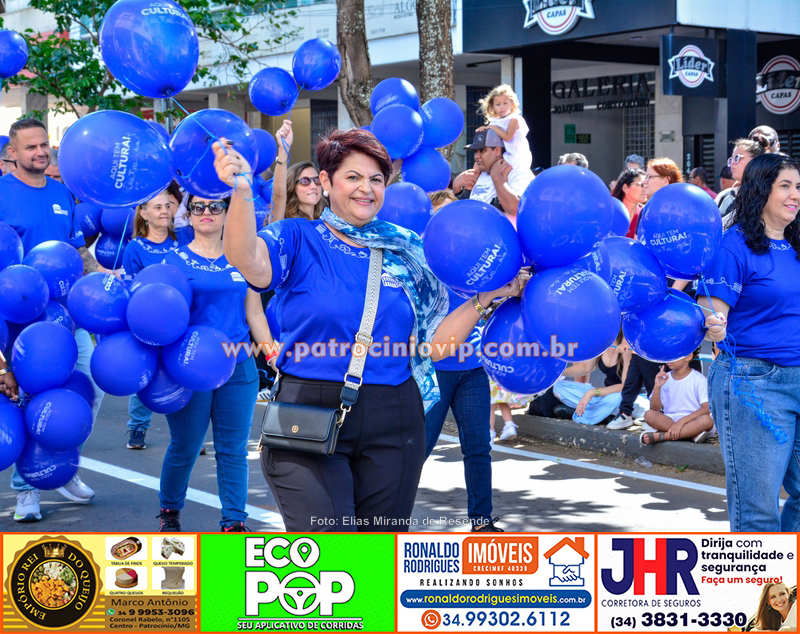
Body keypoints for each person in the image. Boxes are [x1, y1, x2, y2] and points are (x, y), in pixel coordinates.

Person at [212, 127, 522, 532]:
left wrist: (486, 297)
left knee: (377, 553)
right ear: (326, 182)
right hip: (308, 413)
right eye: (353, 177)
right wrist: (240, 191)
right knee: (333, 545)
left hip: (395, 418)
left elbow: (435, 347)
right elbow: (247, 260)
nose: (366, 188)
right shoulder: (299, 236)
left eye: (376, 179)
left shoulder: (406, 249)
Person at [0, 118, 106, 522]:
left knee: (88, 387)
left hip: (65, 314)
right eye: (31, 147)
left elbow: (76, 252)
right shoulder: (2, 194)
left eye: (45, 144)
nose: (41, 152)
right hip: (19, 318)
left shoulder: (62, 192)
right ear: (13, 153)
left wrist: (105, 276)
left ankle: (61, 464)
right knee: (31, 398)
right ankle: (27, 487)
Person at [157, 194, 272, 532]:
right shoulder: (173, 262)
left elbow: (254, 313)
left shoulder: (242, 259)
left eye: (215, 206)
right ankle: (170, 510)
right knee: (186, 447)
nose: (206, 212)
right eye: (198, 207)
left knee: (233, 449)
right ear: (189, 215)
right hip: (189, 369)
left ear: (226, 213)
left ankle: (234, 521)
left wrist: (272, 352)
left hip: (238, 366)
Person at [701, 153, 800, 533]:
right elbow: (711, 312)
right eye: (785, 186)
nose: (795, 195)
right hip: (755, 383)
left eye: (798, 187)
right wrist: (714, 325)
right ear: (760, 190)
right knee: (758, 512)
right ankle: (761, 575)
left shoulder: (796, 244)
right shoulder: (734, 246)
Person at [121, 190, 185, 450]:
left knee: (180, 372)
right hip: (147, 322)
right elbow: (128, 288)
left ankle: (186, 434)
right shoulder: (135, 248)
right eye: (157, 207)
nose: (164, 211)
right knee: (146, 373)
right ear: (144, 213)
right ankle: (137, 427)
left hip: (180, 321)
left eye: (168, 206)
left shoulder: (182, 242)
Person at [451, 129, 534, 220]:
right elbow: (467, 210)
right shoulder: (480, 172)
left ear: (497, 151)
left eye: (482, 150)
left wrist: (496, 176)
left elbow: (515, 210)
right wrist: (456, 189)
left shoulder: (517, 172)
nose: (477, 156)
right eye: (475, 151)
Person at [552, 334, 632, 425]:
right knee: (558, 386)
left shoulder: (625, 345)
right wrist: (558, 373)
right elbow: (585, 368)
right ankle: (601, 414)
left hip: (623, 396)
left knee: (616, 398)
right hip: (605, 395)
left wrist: (592, 393)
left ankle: (581, 412)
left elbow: (626, 386)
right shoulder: (601, 340)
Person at [639, 350, 713, 445]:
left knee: (707, 421)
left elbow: (706, 409)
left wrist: (681, 422)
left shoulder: (699, 380)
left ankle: (664, 436)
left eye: (674, 355)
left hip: (693, 420)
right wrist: (657, 387)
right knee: (649, 415)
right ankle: (689, 434)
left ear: (688, 356)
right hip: (670, 420)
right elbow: (655, 409)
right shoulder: (665, 378)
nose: (669, 359)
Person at [270, 120, 326, 223]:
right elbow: (278, 194)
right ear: (292, 187)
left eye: (317, 180)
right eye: (305, 181)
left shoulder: (328, 221)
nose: (313, 186)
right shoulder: (283, 222)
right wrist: (283, 149)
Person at [476, 84, 532, 170]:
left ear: (512, 104)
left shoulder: (514, 119)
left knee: (498, 172)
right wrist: (483, 129)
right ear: (493, 107)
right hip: (506, 155)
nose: (502, 107)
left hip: (517, 156)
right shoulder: (495, 121)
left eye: (505, 103)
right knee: (478, 166)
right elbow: (490, 132)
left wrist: (493, 127)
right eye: (498, 104)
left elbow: (508, 137)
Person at [627, 157, 683, 238]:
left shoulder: (683, 209)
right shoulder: (646, 211)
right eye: (646, 177)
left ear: (666, 180)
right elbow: (638, 242)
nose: (644, 182)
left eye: (649, 177)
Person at [716, 137, 770, 219]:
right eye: (731, 159)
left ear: (755, 161)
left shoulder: (771, 197)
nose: (732, 163)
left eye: (737, 157)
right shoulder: (725, 196)